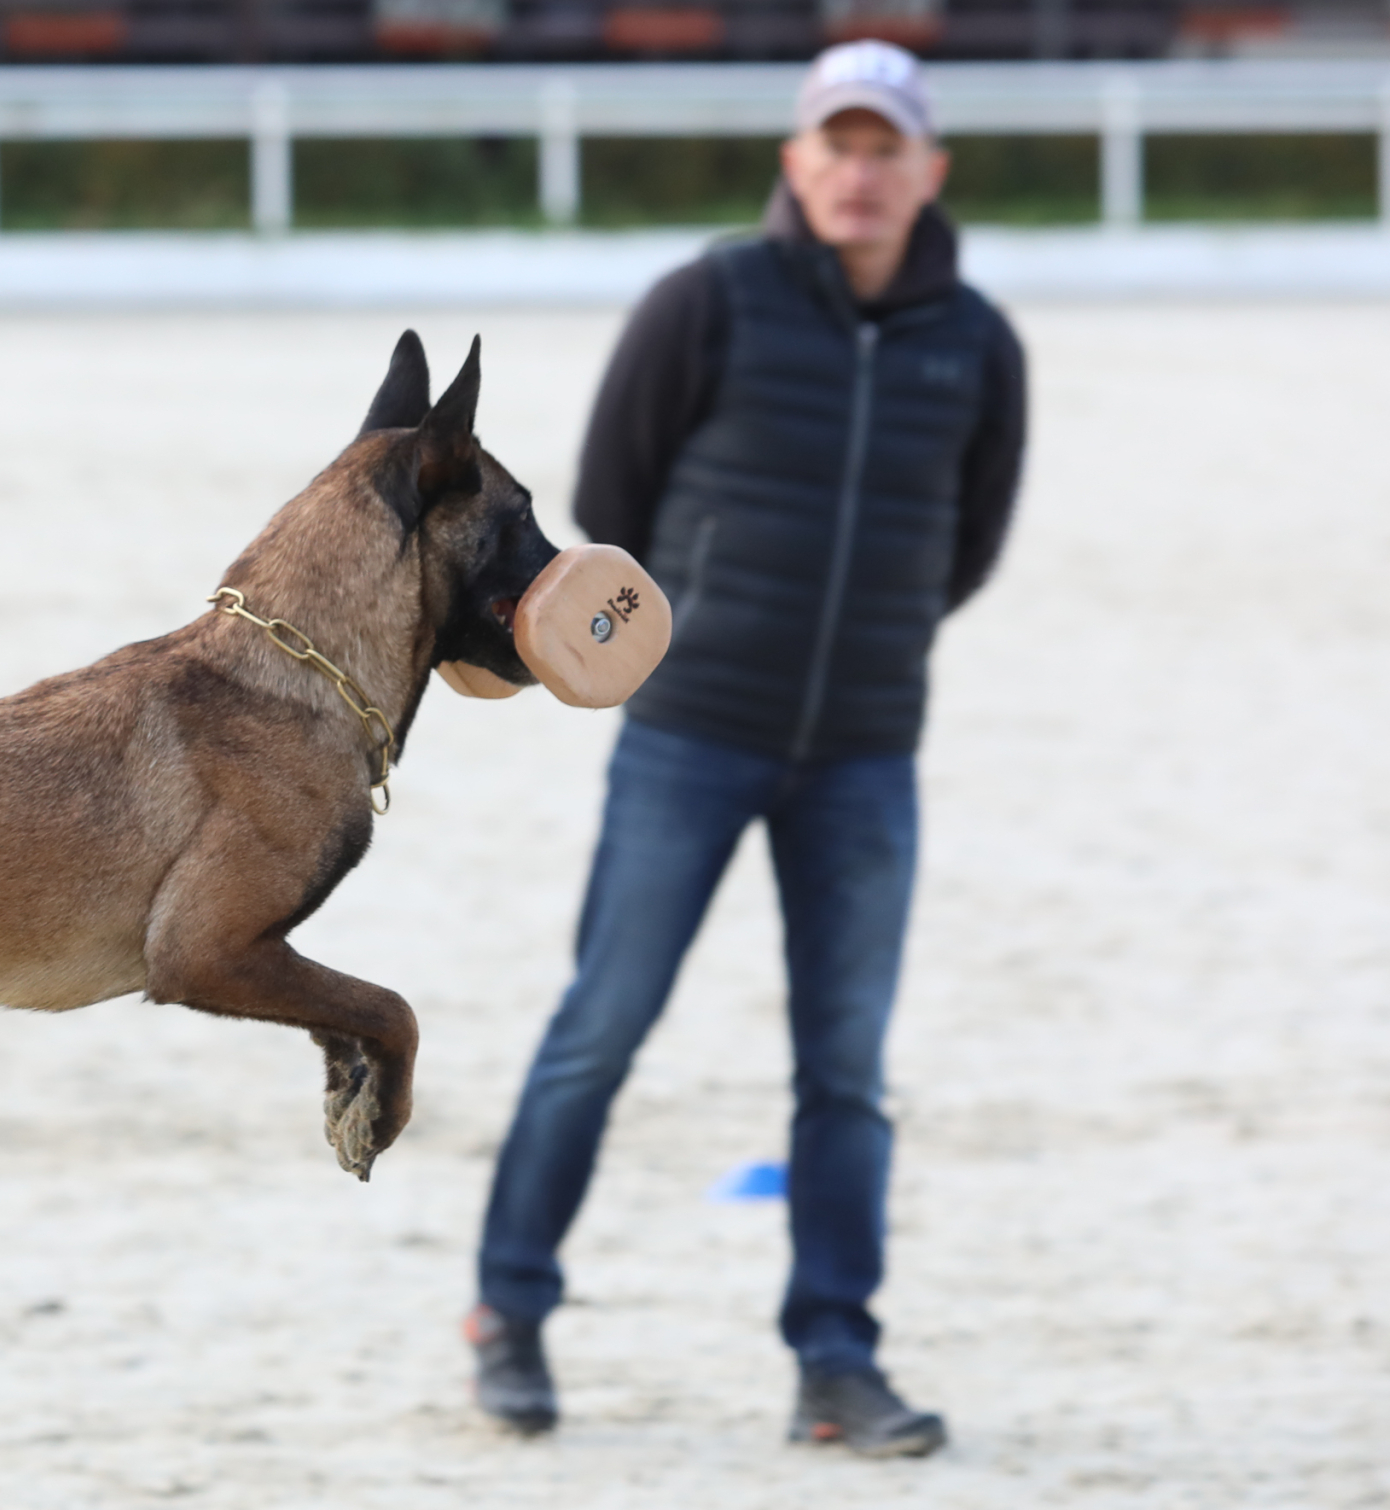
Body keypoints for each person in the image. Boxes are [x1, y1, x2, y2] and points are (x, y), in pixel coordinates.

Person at [465, 39, 1027, 1458]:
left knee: (846, 1067)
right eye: (836, 143)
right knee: (602, 1025)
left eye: (885, 145)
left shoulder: (977, 340)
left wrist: (865, 646)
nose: (859, 170)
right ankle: (509, 1308)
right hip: (691, 733)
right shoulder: (705, 301)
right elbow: (611, 496)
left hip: (864, 755)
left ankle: (837, 1357)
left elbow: (967, 546)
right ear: (796, 161)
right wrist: (707, 634)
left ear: (928, 170)